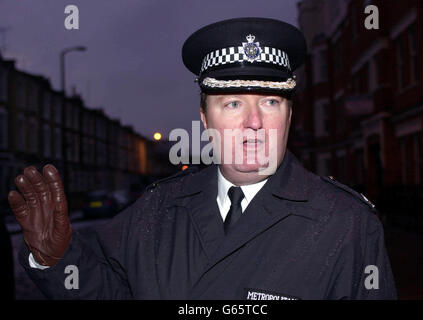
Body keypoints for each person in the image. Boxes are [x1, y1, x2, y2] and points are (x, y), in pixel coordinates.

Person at [7, 17, 397, 299]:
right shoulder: (156, 210)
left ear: (290, 116)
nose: (254, 122)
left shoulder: (347, 225)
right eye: (232, 103)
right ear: (205, 120)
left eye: (271, 102)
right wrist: (55, 259)